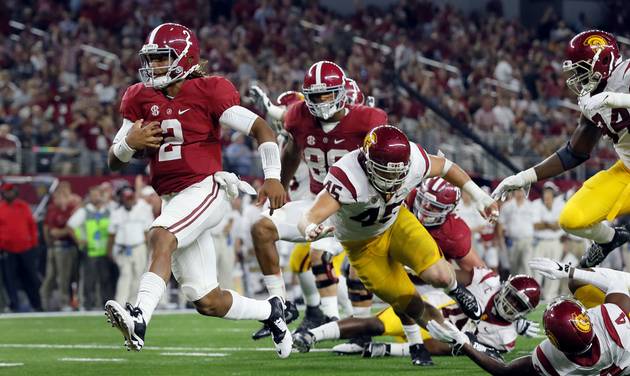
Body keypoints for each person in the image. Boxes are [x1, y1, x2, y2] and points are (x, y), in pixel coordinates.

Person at [103, 23, 291, 357]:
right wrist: (129, 145)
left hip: (206, 188)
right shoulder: (139, 96)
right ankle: (273, 312)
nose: (154, 67)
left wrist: (273, 175)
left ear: (185, 58)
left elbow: (261, 128)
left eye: (163, 59)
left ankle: (139, 317)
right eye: (152, 59)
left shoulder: (209, 90)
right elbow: (113, 161)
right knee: (207, 300)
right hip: (172, 198)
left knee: (160, 234)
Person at [297, 126, 499, 366]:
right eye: (385, 173)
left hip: (396, 224)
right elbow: (309, 216)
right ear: (367, 162)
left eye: (398, 173)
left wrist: (479, 196)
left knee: (441, 276)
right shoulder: (347, 176)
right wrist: (309, 229)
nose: (393, 180)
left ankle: (455, 289)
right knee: (414, 307)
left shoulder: (414, 160)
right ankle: (458, 339)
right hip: (362, 247)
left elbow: (447, 167)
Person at [249, 62, 388, 334]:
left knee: (358, 269)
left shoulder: (368, 120)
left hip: (358, 209)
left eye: (327, 94)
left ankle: (358, 329)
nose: (321, 101)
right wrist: (279, 184)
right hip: (318, 204)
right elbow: (291, 152)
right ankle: (279, 306)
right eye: (315, 95)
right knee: (262, 228)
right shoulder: (298, 117)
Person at [492, 30, 630, 269]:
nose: (577, 77)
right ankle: (611, 238)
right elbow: (575, 152)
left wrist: (614, 99)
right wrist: (524, 177)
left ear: (603, 61)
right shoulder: (593, 99)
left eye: (581, 69)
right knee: (571, 220)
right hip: (626, 171)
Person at [427, 257, 630, 375]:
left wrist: (463, 344)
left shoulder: (553, 359)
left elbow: (504, 372)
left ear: (555, 342)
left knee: (576, 283)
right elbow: (619, 281)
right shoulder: (612, 319)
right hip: (620, 352)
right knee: (578, 283)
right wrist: (570, 271)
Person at [68, 186, 113, 310]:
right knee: (89, 280)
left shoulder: (108, 210)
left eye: (97, 194)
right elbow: (70, 226)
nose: (95, 198)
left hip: (104, 250)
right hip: (90, 250)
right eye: (92, 195)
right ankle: (87, 304)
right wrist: (79, 241)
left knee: (105, 279)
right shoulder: (84, 211)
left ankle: (106, 304)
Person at [107, 186, 153, 305]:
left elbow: (146, 232)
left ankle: (132, 304)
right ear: (122, 199)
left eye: (130, 198)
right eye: (126, 198)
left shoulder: (142, 210)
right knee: (125, 275)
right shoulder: (116, 213)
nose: (129, 200)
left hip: (139, 247)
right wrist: (109, 251)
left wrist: (149, 250)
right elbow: (111, 234)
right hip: (122, 248)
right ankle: (120, 303)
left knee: (138, 276)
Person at [0, 183, 42, 312]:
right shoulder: (1, 208)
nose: (8, 194)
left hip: (26, 249)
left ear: (15, 192)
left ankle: (37, 304)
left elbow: (32, 226)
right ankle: (14, 305)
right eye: (6, 192)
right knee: (9, 279)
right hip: (7, 250)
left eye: (10, 191)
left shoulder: (23, 206)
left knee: (30, 277)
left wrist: (34, 244)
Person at [40, 184, 79, 311]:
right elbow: (51, 231)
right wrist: (67, 231)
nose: (64, 198)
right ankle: (61, 302)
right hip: (58, 247)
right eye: (61, 195)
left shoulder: (73, 207)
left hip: (71, 246)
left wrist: (67, 231)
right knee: (58, 276)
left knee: (72, 276)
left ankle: (72, 301)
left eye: (66, 195)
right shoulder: (53, 210)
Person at [531, 182, 564, 301]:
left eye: (550, 192)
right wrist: (551, 224)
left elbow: (559, 225)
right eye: (546, 191)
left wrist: (545, 223)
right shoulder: (536, 204)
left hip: (555, 242)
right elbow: (536, 225)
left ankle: (550, 297)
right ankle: (536, 296)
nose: (547, 194)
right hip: (540, 242)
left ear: (554, 193)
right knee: (537, 270)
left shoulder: (560, 204)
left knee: (554, 270)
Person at [498, 189, 537, 276]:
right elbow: (501, 223)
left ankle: (528, 286)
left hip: (527, 240)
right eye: (517, 191)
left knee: (527, 265)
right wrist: (500, 239)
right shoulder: (507, 206)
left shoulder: (530, 205)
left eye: (521, 191)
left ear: (525, 192)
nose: (519, 193)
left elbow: (535, 224)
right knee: (513, 266)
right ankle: (515, 286)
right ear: (514, 192)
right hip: (512, 241)